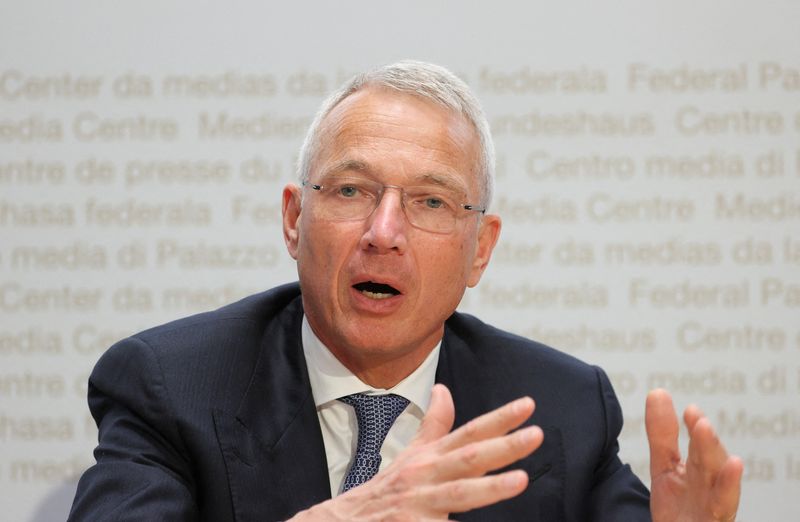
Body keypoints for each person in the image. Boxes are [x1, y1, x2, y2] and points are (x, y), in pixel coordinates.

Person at [69, 60, 742, 521]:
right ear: (295, 219)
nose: (383, 232)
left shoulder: (561, 411)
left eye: (430, 202)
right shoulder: (169, 387)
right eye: (352, 190)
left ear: (480, 249)